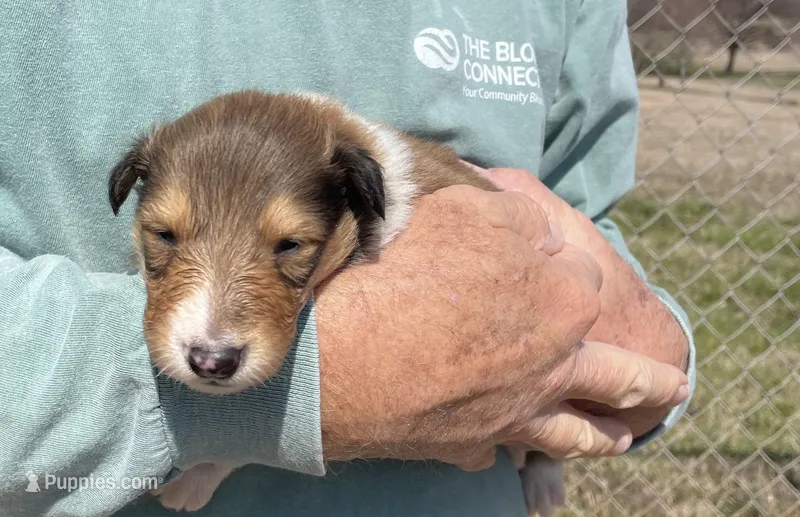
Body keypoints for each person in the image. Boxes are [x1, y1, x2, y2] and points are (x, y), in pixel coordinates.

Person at [0, 1, 695, 516]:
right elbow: (354, 357)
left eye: (290, 247)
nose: (209, 328)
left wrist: (647, 359)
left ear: (362, 202)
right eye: (166, 239)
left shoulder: (392, 196)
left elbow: (588, 256)